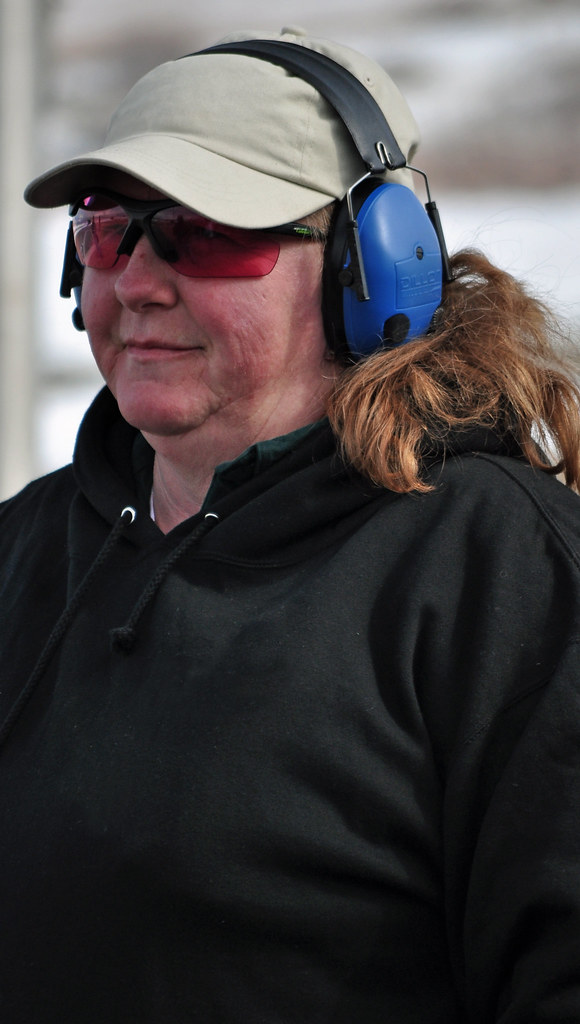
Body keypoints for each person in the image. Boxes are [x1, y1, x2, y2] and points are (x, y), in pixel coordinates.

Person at [1, 24, 580, 1024]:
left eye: (209, 231)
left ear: (372, 266)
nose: (136, 280)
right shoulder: (23, 550)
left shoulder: (498, 572)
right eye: (109, 230)